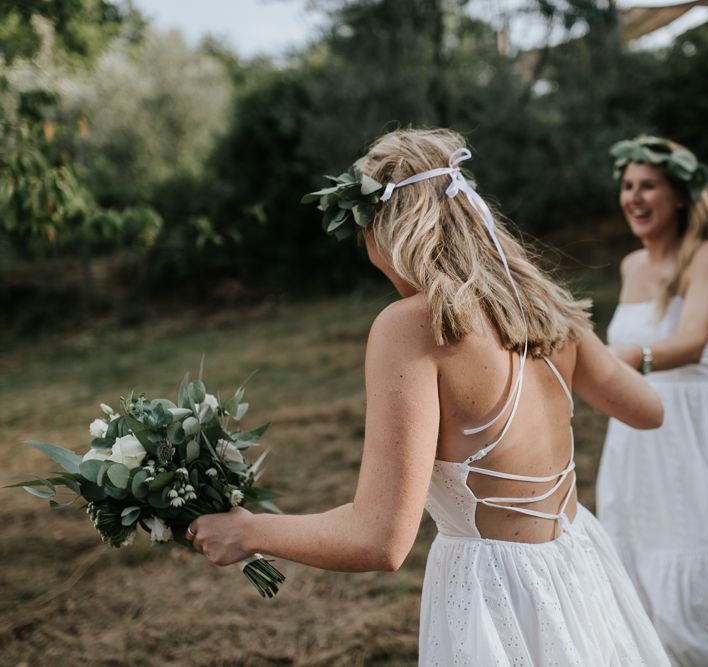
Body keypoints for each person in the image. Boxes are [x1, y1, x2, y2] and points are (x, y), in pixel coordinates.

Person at [187, 129, 671, 665]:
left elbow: (380, 539)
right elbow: (648, 410)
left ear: (380, 226)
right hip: (580, 570)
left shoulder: (414, 327)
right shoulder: (542, 308)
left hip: (496, 596)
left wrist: (250, 531)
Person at [597, 135, 708, 667]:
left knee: (703, 548)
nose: (634, 197)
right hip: (636, 439)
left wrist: (607, 362)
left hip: (696, 434)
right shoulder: (630, 266)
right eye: (628, 186)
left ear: (679, 195)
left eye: (648, 185)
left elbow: (692, 341)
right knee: (638, 554)